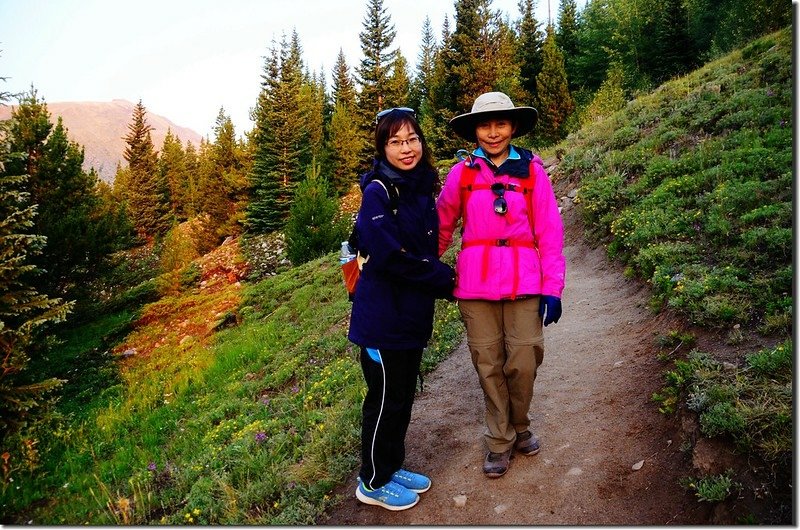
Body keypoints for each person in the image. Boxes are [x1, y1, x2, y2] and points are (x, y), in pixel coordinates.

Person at [436, 92, 566, 478]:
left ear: (513, 127)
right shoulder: (461, 174)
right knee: (488, 365)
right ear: (474, 130)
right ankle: (500, 440)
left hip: (525, 283)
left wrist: (553, 287)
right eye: (484, 125)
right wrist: (416, 267)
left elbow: (550, 233)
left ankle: (520, 423)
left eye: (501, 124)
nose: (493, 133)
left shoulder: (533, 172)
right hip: (475, 288)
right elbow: (441, 227)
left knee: (524, 361)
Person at [348, 107, 456, 510]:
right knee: (384, 400)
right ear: (383, 147)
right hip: (382, 321)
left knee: (401, 396)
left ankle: (390, 466)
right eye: (395, 142)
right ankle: (372, 481)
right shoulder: (378, 191)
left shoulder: (416, 186)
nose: (406, 148)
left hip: (409, 314)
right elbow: (391, 257)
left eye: (412, 139)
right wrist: (445, 280)